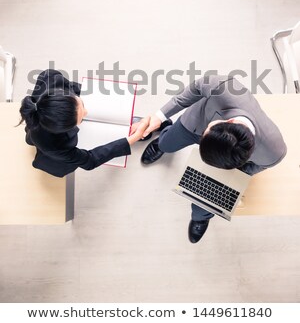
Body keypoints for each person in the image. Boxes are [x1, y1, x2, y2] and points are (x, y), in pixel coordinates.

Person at [131, 75, 287, 244]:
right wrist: (159, 116)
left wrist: (237, 178)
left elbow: (260, 166)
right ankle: (163, 132)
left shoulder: (274, 150)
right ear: (230, 121)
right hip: (195, 124)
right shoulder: (226, 88)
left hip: (226, 162)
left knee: (206, 201)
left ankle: (200, 218)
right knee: (167, 143)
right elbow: (197, 86)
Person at [19, 69, 149, 178]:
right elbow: (90, 160)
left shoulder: (50, 78)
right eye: (79, 119)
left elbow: (72, 86)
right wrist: (132, 139)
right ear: (65, 128)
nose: (86, 112)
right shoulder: (53, 146)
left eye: (82, 105)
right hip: (48, 145)